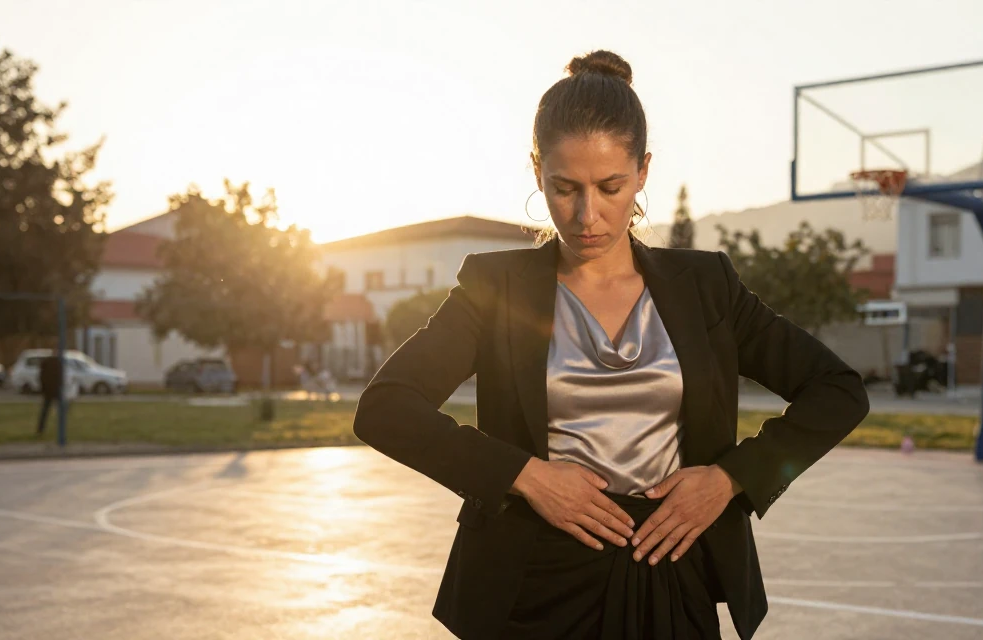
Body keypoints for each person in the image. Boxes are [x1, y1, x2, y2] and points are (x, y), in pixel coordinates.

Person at [353, 50, 870, 640]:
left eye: (610, 186)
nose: (586, 215)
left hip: (675, 573)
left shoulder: (706, 288)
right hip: (534, 584)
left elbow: (837, 391)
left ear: (643, 172)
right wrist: (522, 473)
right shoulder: (494, 288)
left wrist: (730, 480)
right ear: (536, 170)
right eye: (564, 187)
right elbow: (385, 408)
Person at [35, 354, 64, 437]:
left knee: (45, 411)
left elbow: (41, 377)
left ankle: (40, 429)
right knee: (60, 409)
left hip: (49, 391)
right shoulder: (57, 363)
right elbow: (60, 377)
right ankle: (59, 428)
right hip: (54, 390)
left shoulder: (48, 363)